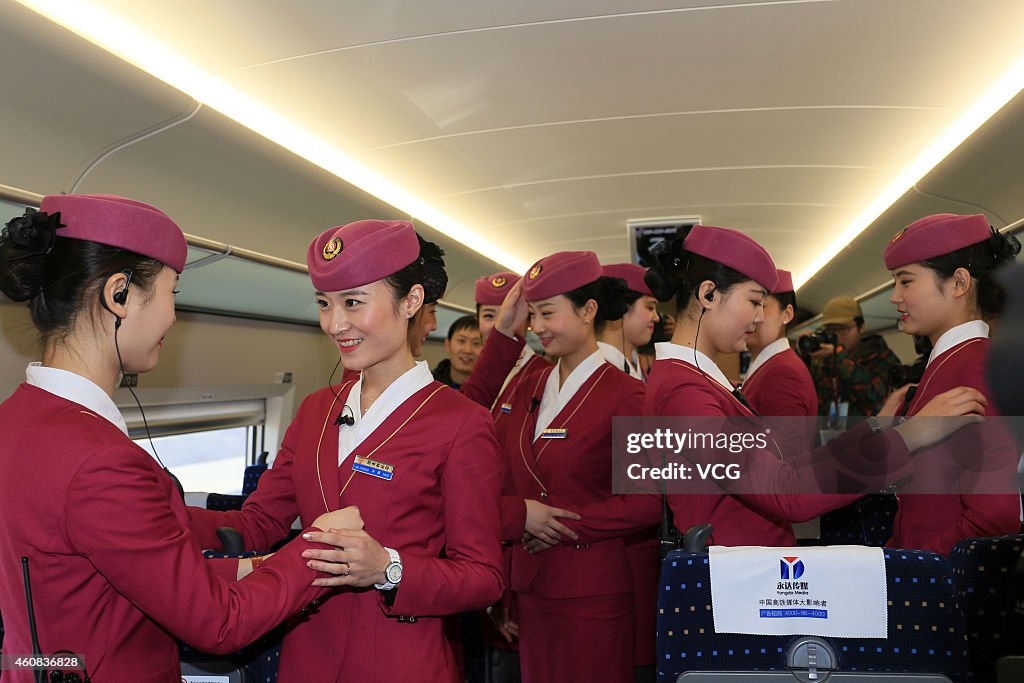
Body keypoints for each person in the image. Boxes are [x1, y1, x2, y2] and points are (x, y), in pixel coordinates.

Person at [0, 195, 359, 682]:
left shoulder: (15, 419)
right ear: (119, 294)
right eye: (173, 292)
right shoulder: (101, 461)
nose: (173, 317)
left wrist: (256, 565)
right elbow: (221, 623)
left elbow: (105, 574)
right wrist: (318, 548)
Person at [187, 219, 505, 681]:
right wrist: (161, 513)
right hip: (305, 658)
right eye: (324, 304)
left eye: (353, 302)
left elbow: (483, 577)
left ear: (411, 301)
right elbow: (257, 523)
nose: (335, 324)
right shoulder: (317, 409)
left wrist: (388, 567)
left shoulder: (461, 422)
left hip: (400, 662)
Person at [496, 251, 645, 683]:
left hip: (592, 588)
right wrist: (506, 584)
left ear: (588, 310)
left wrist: (561, 525)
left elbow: (648, 501)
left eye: (548, 313)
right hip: (530, 588)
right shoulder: (529, 383)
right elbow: (500, 471)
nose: (537, 327)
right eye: (533, 315)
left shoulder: (628, 396)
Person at [877, 213, 1021, 553]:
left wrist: (915, 567)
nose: (895, 297)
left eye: (906, 281)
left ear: (959, 283)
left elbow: (994, 518)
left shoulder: (977, 367)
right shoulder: (945, 363)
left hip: (941, 588)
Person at [742, 268, 818, 454]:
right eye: (749, 305)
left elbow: (786, 457)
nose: (753, 316)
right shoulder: (771, 365)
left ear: (787, 314)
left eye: (761, 305)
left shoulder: (782, 373)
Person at [804, 295, 902, 418]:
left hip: (867, 433)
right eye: (830, 330)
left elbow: (876, 397)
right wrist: (804, 356)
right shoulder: (822, 359)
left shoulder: (879, 355)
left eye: (843, 329)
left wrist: (839, 358)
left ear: (861, 327)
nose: (836, 336)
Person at [475, 272, 553, 423]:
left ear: (528, 321)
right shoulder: (474, 370)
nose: (498, 325)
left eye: (510, 314)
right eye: (489, 316)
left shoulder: (546, 373)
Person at [597, 263, 659, 381]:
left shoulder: (635, 364)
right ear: (620, 306)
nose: (656, 318)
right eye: (650, 307)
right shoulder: (600, 373)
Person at [432, 315, 482, 389]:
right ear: (447, 344)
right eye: (461, 341)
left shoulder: (492, 392)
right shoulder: (429, 384)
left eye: (476, 343)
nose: (467, 350)